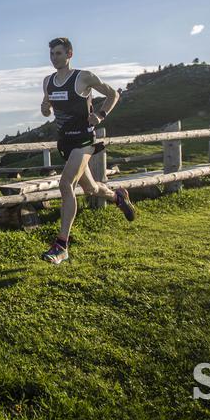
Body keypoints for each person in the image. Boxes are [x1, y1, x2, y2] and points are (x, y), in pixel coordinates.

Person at [40, 37, 135, 264]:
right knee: (91, 189)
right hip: (65, 143)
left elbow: (113, 94)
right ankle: (118, 197)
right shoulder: (47, 81)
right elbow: (47, 110)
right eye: (52, 54)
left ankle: (61, 245)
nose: (55, 58)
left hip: (84, 141)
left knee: (65, 185)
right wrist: (44, 108)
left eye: (59, 53)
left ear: (69, 54)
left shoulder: (83, 77)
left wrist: (100, 115)